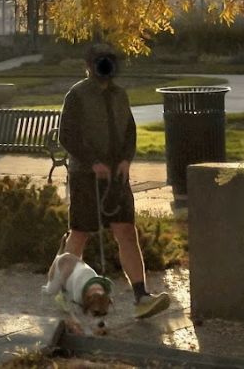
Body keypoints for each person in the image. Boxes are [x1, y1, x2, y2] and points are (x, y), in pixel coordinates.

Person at [57, 43, 171, 320]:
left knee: (126, 232)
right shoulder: (77, 95)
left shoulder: (121, 96)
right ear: (89, 65)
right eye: (100, 61)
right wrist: (92, 162)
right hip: (85, 176)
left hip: (116, 178)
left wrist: (125, 160)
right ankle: (62, 290)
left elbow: (129, 132)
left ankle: (141, 296)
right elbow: (67, 136)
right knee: (80, 233)